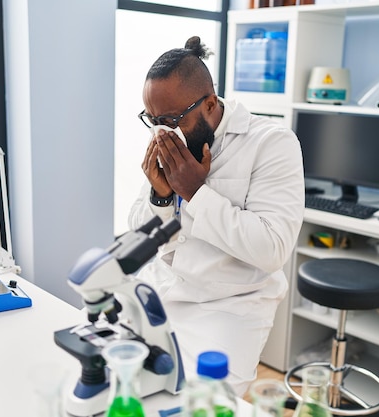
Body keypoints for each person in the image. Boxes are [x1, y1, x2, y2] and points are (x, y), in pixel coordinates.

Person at [128, 36, 304, 396]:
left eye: (171, 119)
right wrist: (161, 196)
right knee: (125, 388)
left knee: (204, 404)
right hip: (163, 290)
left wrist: (194, 192)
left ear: (209, 104)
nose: (161, 131)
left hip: (229, 306)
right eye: (153, 119)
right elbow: (137, 231)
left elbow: (272, 248)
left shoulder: (272, 143)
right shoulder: (171, 138)